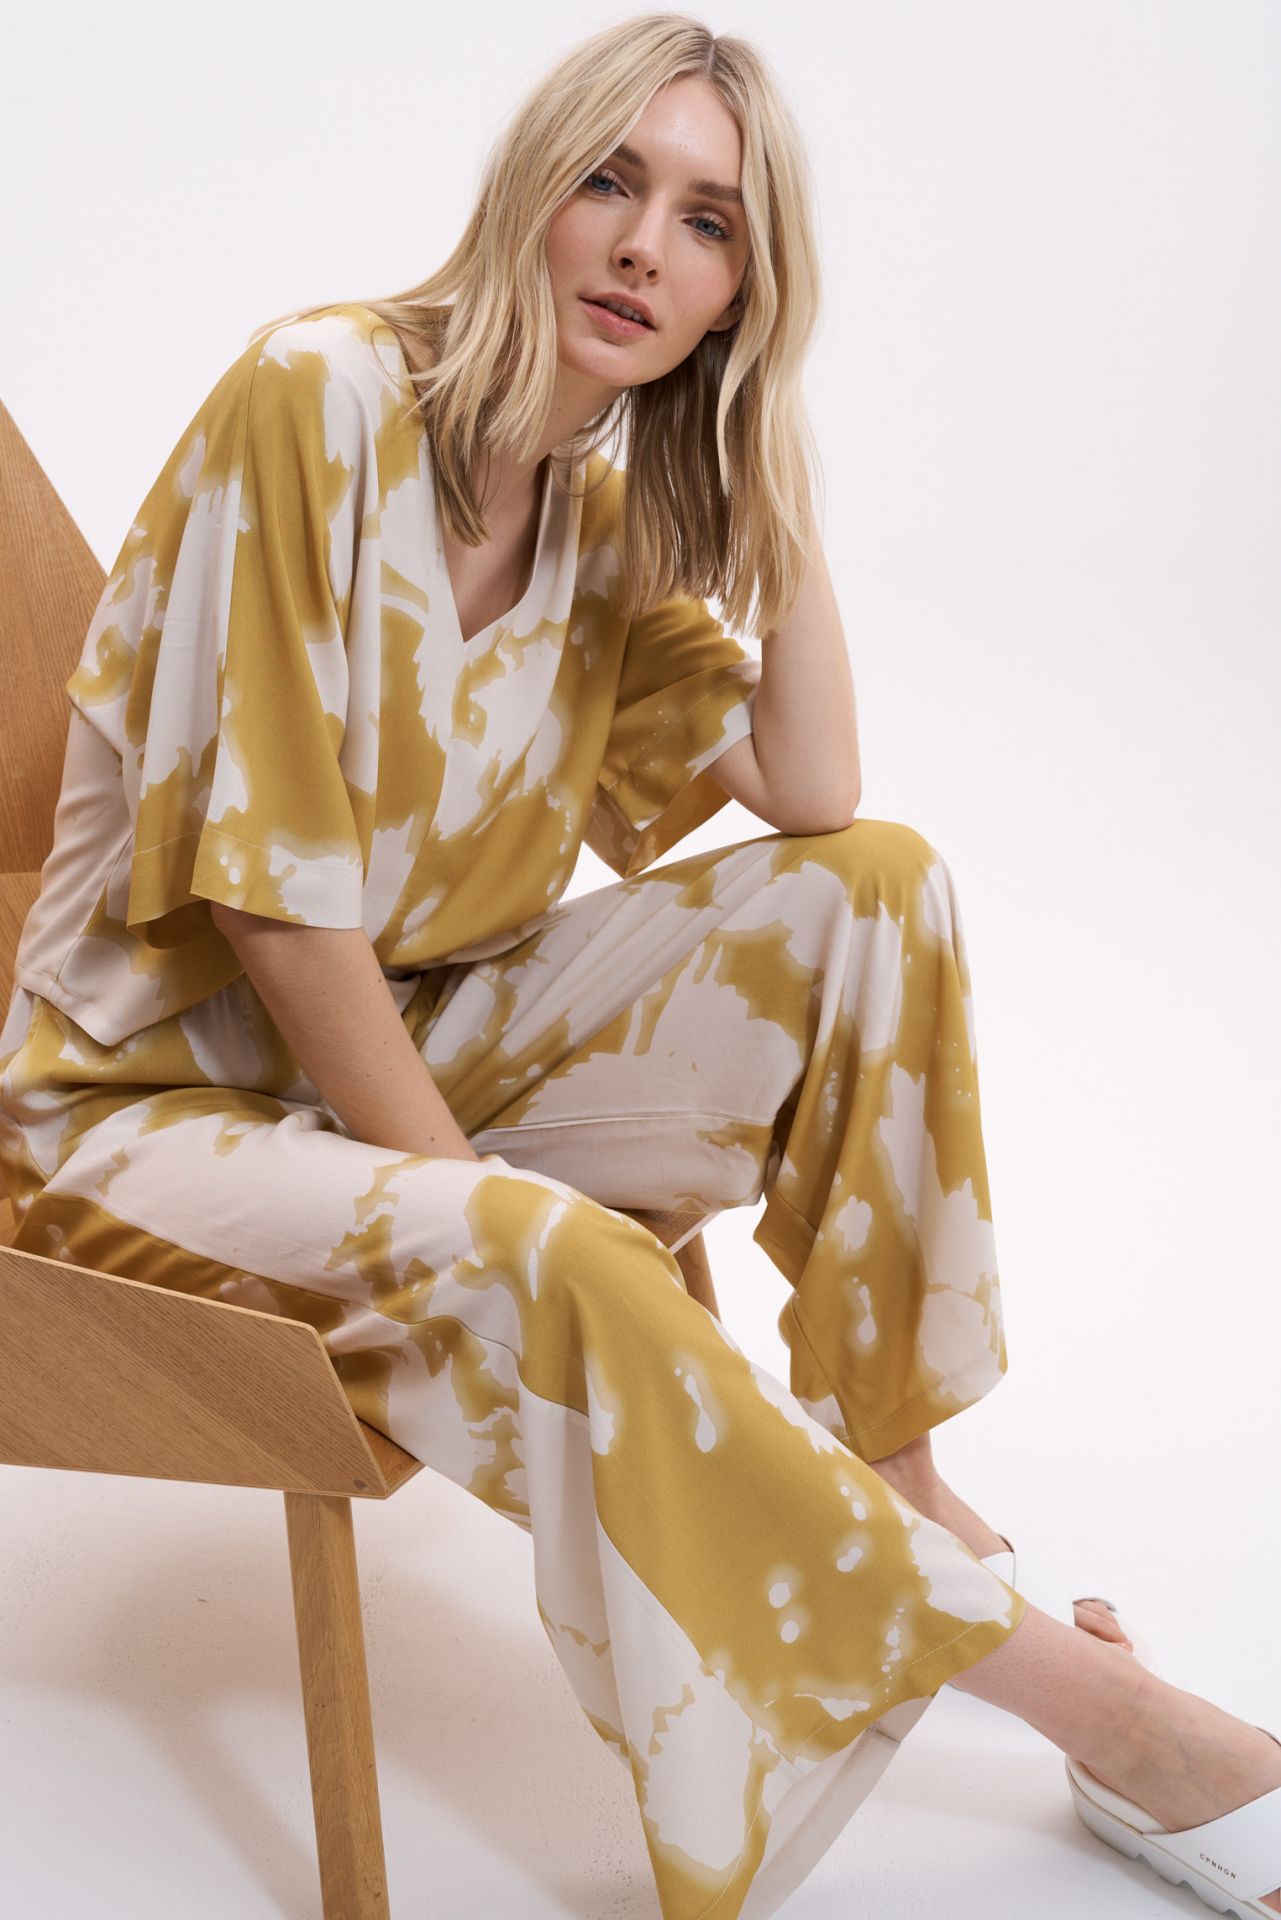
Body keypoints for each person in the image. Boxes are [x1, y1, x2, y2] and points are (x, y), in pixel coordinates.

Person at [1, 13, 1277, 1919]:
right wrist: (482, 1206)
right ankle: (1116, 1722)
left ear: (738, 296)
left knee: (873, 889)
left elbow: (813, 791)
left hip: (411, 1034)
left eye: (707, 225)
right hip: (137, 1123)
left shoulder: (596, 506)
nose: (639, 247)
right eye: (610, 180)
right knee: (553, 1250)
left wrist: (769, 464)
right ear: (533, 185)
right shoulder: (315, 397)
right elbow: (273, 911)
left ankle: (895, 1482)